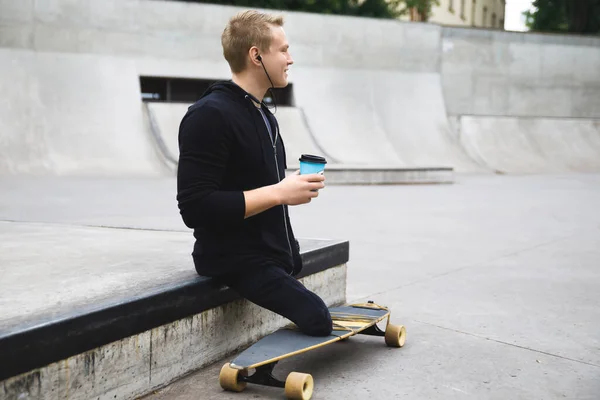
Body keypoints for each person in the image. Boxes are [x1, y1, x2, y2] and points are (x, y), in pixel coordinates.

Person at [176, 10, 333, 337]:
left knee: (309, 296)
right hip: (233, 259)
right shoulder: (210, 115)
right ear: (256, 55)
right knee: (318, 317)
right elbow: (195, 207)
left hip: (267, 256)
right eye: (283, 50)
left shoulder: (263, 113)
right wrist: (280, 192)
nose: (290, 59)